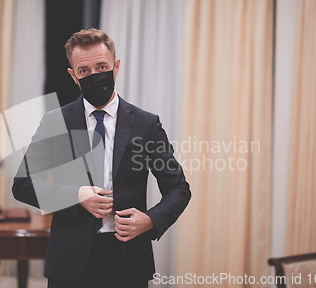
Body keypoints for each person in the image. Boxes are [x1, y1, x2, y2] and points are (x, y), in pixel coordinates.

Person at [12, 28, 191, 288]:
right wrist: (76, 196)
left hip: (128, 258)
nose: (94, 75)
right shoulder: (56, 122)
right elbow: (23, 184)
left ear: (116, 67)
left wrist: (151, 220)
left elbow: (178, 188)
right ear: (73, 75)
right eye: (84, 71)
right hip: (68, 260)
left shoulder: (146, 124)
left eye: (102, 66)